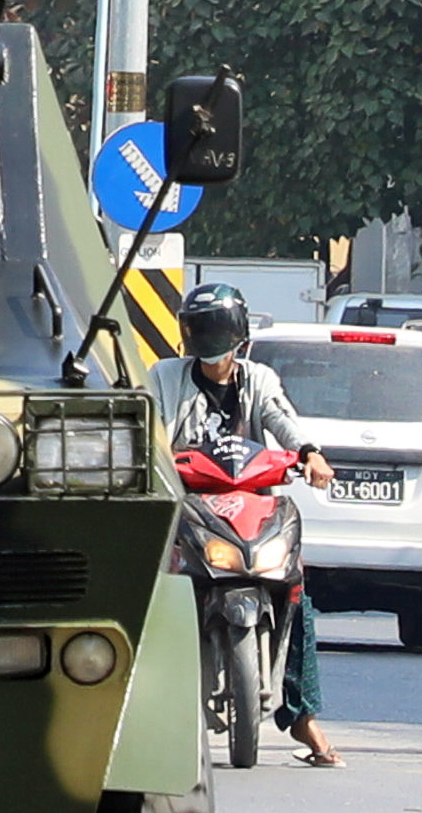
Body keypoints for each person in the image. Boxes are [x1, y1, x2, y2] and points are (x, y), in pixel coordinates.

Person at [147, 283, 345, 768]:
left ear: (241, 346)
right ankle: (144, 707)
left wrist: (309, 453)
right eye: (205, 354)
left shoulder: (258, 380)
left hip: (254, 508)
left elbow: (281, 419)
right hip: (189, 508)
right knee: (148, 590)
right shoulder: (165, 377)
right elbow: (150, 425)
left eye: (222, 354)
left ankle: (301, 713)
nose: (214, 363)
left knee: (296, 594)